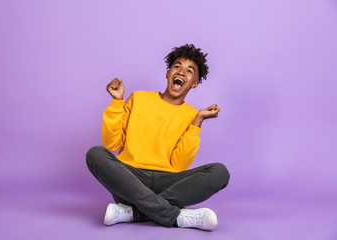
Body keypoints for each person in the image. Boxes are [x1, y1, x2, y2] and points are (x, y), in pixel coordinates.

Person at [86, 44, 230, 231]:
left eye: (189, 70)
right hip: (129, 179)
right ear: (168, 74)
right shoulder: (138, 98)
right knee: (95, 154)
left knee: (220, 172)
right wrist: (116, 102)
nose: (181, 72)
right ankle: (177, 217)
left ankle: (134, 213)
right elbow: (111, 143)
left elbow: (179, 165)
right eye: (177, 67)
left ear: (194, 82)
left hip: (168, 183)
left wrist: (198, 121)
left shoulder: (192, 115)